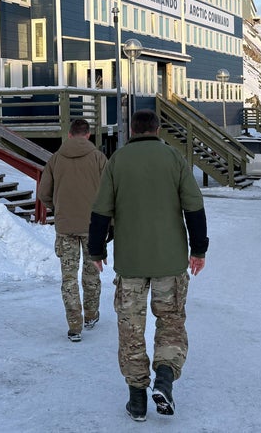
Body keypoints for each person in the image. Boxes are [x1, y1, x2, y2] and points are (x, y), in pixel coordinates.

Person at [88, 109, 209, 422]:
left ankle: (137, 399)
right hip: (169, 261)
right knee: (170, 322)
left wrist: (96, 249)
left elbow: (101, 210)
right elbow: (194, 206)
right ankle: (165, 378)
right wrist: (199, 249)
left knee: (131, 329)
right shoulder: (173, 159)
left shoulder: (117, 161)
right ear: (156, 129)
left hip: (129, 263)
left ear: (133, 131)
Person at [38, 118, 108, 343]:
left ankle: (74, 326)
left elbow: (43, 193)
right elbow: (110, 192)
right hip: (93, 227)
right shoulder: (98, 158)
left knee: (69, 277)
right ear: (88, 135)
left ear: (69, 135)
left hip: (65, 227)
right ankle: (91, 315)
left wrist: (58, 207)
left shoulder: (55, 159)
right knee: (91, 274)